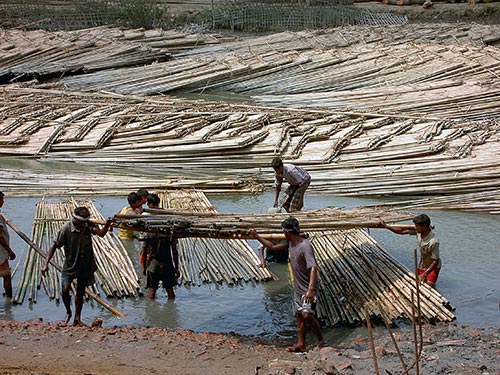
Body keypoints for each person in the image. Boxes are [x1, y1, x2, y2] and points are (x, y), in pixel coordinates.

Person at [250, 216, 325, 352]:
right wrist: (256, 236)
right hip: (298, 287)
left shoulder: (305, 246)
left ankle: (321, 341)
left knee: (306, 315)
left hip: (308, 288)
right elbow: (272, 246)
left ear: (287, 232)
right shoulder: (291, 244)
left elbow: (313, 267)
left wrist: (311, 289)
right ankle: (301, 344)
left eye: (284, 232)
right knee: (299, 316)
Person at [41, 207, 112, 326]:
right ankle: (68, 312)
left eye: (85, 222)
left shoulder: (88, 226)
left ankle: (77, 318)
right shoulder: (66, 229)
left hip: (85, 264)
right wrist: (46, 263)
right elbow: (54, 245)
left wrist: (107, 224)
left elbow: (101, 234)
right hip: (70, 265)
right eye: (81, 222)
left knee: (80, 292)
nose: (84, 224)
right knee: (65, 290)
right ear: (75, 219)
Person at [379, 213, 441, 288]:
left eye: (417, 226)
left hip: (433, 267)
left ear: (424, 227)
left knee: (429, 287)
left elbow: (436, 261)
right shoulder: (418, 232)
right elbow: (401, 232)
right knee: (419, 285)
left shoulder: (433, 242)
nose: (415, 227)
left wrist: (424, 274)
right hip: (423, 264)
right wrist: (386, 226)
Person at [140, 194, 179, 300]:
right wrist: (177, 267)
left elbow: (144, 250)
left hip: (153, 264)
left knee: (152, 290)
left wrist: (144, 267)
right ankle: (171, 314)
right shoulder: (168, 230)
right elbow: (174, 251)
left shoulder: (148, 228)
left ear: (149, 204)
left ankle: (151, 315)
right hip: (167, 263)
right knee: (170, 290)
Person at [0, 192, 16, 299]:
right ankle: (9, 300)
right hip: (0, 252)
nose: (3, 202)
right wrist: (9, 251)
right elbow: (0, 237)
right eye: (1, 200)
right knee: (6, 275)